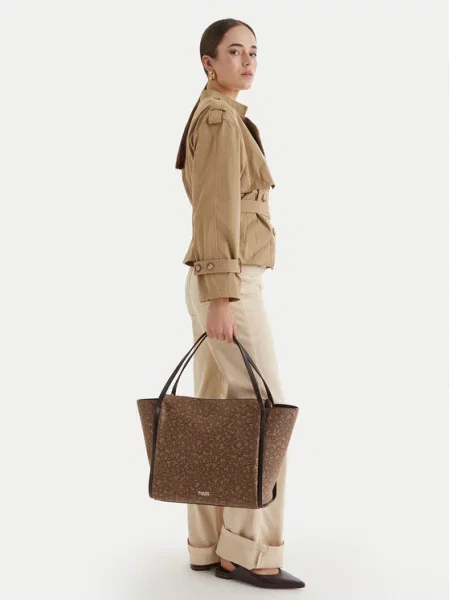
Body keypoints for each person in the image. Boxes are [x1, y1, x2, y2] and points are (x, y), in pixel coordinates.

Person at [175, 18, 305, 590]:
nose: (248, 61)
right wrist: (222, 297)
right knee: (265, 414)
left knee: (214, 413)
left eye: (254, 51)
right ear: (209, 62)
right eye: (235, 51)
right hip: (229, 287)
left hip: (216, 284)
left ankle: (207, 545)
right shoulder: (220, 120)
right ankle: (249, 553)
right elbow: (215, 211)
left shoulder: (222, 114)